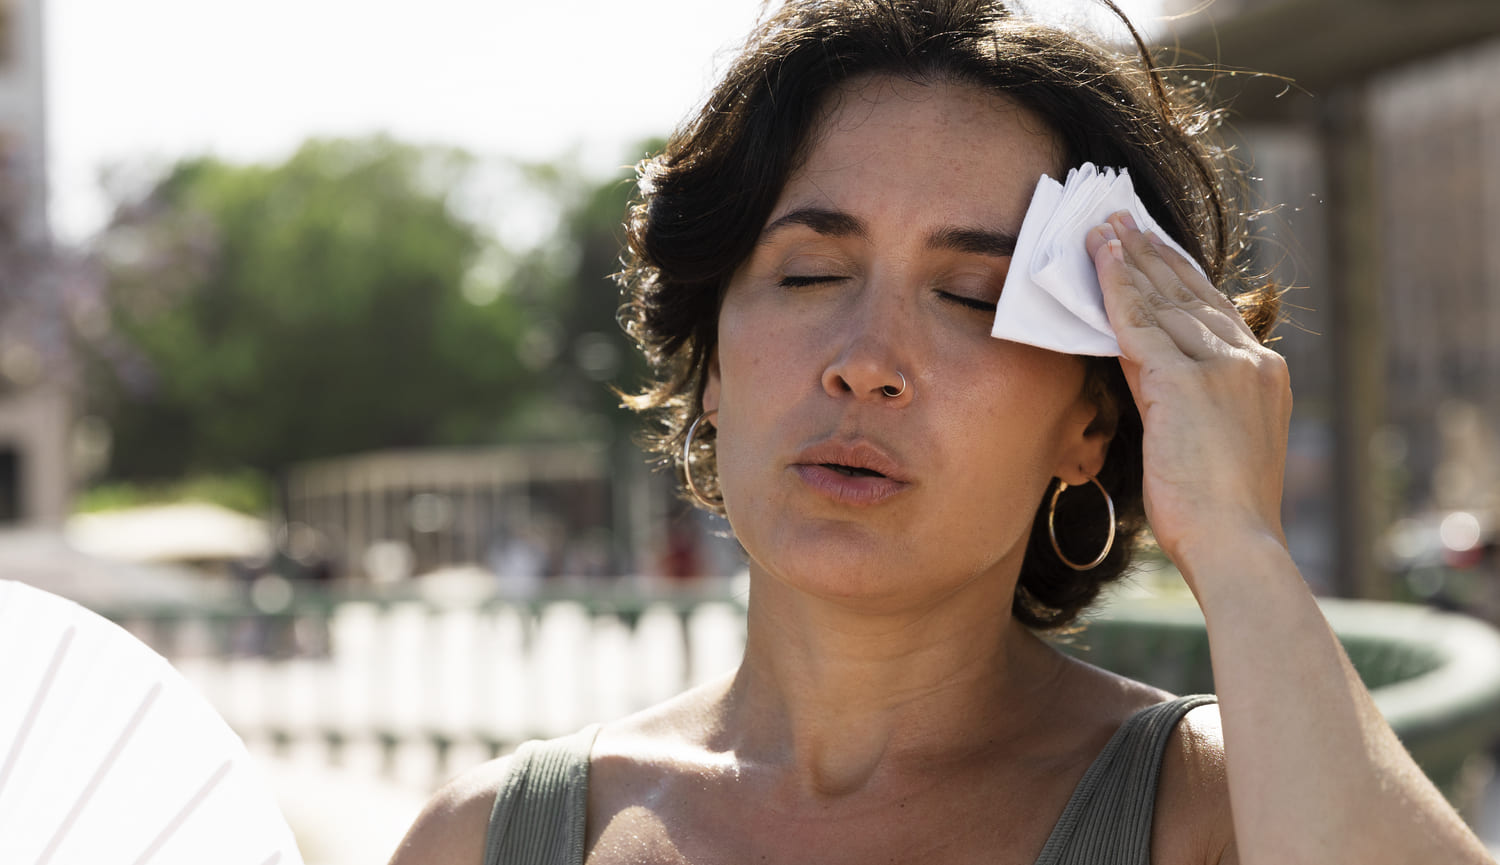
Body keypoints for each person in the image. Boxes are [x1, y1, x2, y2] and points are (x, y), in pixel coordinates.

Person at [390, 1, 1493, 862]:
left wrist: (1240, 545)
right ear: (711, 363)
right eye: (811, 271)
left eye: (972, 294)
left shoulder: (1212, 812)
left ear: (1094, 420)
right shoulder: (484, 840)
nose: (866, 361)